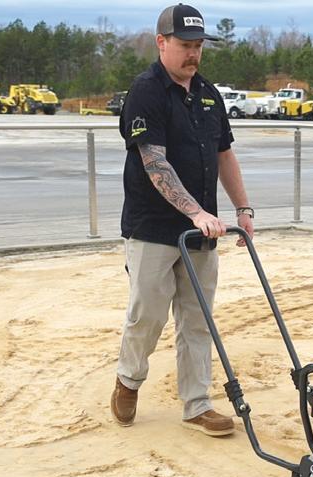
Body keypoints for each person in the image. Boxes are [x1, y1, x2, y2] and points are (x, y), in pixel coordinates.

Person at [111, 3, 254, 436]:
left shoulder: (209, 94)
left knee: (198, 319)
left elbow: (224, 154)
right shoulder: (147, 91)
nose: (193, 53)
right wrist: (194, 211)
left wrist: (242, 209)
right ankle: (128, 379)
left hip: (202, 231)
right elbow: (154, 163)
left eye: (198, 46)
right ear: (162, 43)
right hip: (153, 228)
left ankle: (197, 404)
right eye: (185, 45)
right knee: (148, 315)